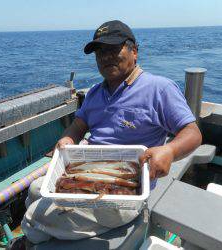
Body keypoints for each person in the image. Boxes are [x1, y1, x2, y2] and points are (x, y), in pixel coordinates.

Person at [19, 20, 202, 247]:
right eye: (100, 52)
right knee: (36, 189)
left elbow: (192, 133)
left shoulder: (160, 88)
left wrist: (169, 150)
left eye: (113, 49)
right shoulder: (95, 92)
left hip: (125, 190)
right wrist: (68, 138)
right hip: (89, 171)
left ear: (134, 51)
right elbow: (78, 125)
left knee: (31, 222)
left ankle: (34, 237)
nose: (105, 57)